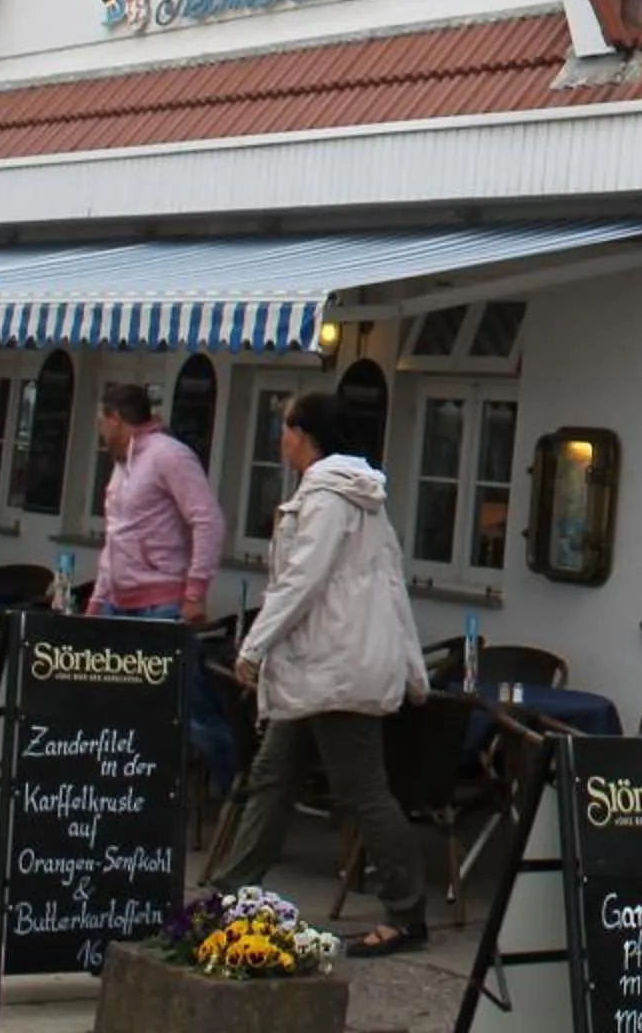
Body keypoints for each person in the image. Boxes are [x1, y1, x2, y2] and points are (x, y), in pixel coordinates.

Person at [209, 391, 429, 958]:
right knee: (273, 776)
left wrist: (254, 647)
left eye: (284, 427)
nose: (279, 439)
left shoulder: (330, 499)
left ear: (303, 434)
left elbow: (301, 581)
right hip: (323, 669)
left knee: (362, 789)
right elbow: (390, 585)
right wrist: (411, 664)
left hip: (333, 669)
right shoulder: (359, 499)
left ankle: (406, 913)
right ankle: (231, 892)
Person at [92, 382, 234, 791]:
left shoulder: (169, 456)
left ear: (116, 418)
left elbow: (207, 520)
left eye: (103, 422)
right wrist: (99, 600)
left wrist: (194, 591)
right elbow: (115, 538)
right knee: (119, 703)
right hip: (120, 601)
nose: (101, 431)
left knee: (189, 710)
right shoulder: (122, 466)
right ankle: (131, 791)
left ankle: (233, 794)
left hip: (161, 603)